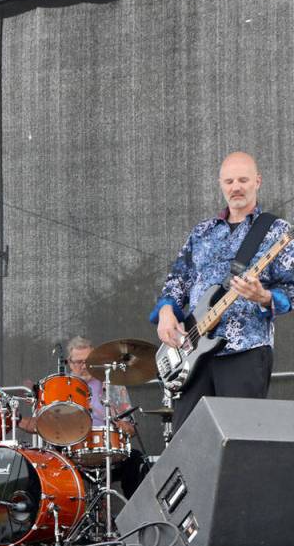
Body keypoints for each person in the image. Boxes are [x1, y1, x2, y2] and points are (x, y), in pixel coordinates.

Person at [152, 152, 294, 431]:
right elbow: (177, 280)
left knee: (242, 438)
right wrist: (167, 312)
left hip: (245, 351)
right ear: (221, 184)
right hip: (192, 355)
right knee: (188, 441)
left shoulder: (277, 231)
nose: (236, 187)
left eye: (243, 179)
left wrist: (264, 297)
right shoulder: (202, 232)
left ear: (257, 181)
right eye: (229, 181)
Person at [21, 337, 145, 497]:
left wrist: (116, 420)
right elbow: (40, 425)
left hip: (108, 451)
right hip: (70, 451)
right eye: (78, 362)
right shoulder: (61, 386)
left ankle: (136, 515)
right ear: (69, 363)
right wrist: (16, 419)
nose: (83, 366)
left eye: (88, 361)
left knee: (136, 461)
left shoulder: (112, 384)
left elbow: (131, 430)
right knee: (40, 466)